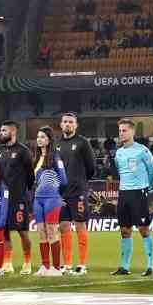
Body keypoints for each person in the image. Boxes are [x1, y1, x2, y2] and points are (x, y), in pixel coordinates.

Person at [108, 118, 153, 277]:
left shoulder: (142, 150)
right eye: (120, 131)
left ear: (132, 132)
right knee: (124, 230)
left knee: (143, 229)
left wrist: (147, 188)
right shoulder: (119, 153)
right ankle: (124, 266)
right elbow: (119, 173)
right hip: (124, 194)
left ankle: (150, 265)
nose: (121, 133)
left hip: (139, 193)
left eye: (124, 130)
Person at [52, 113, 95, 276]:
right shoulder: (56, 144)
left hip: (78, 192)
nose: (68, 124)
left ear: (76, 125)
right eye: (65, 122)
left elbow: (91, 168)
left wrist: (80, 182)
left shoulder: (82, 143)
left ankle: (82, 265)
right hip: (60, 194)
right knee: (63, 227)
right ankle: (67, 264)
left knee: (80, 225)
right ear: (61, 125)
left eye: (71, 122)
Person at [0, 121, 35, 275]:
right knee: (4, 231)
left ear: (13, 132)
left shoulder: (23, 151)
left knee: (22, 231)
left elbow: (30, 177)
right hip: (2, 198)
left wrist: (23, 194)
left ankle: (27, 262)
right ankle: (8, 262)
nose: (1, 133)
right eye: (0, 130)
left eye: (4, 130)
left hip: (18, 199)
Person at [30, 128, 68, 276]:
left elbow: (64, 180)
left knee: (52, 232)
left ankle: (57, 268)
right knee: (41, 233)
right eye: (38, 137)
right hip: (38, 200)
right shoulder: (37, 159)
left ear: (49, 140)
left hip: (52, 199)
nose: (39, 139)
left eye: (43, 137)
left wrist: (59, 196)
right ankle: (45, 266)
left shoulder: (55, 158)